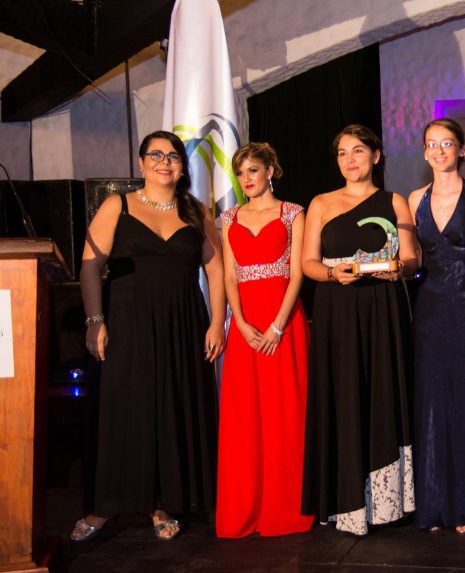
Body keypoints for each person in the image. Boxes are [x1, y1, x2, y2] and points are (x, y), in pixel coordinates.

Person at [71, 130, 225, 542]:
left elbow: (215, 269)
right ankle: (104, 507)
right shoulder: (117, 206)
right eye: (155, 155)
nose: (164, 162)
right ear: (141, 163)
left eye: (172, 156)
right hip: (127, 324)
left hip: (183, 324)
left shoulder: (195, 210)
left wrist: (217, 322)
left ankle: (163, 504)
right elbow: (89, 266)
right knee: (125, 409)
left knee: (173, 408)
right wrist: (94, 319)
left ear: (182, 166)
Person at [301, 124, 418, 536]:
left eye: (357, 151)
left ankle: (385, 504)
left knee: (381, 391)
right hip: (336, 309)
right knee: (343, 394)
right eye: (342, 153)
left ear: (376, 156)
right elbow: (308, 263)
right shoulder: (320, 203)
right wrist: (333, 273)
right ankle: (345, 502)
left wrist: (399, 269)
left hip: (382, 308)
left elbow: (412, 259)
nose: (349, 160)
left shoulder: (394, 201)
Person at [407, 118, 465, 534]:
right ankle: (435, 505)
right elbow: (413, 258)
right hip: (429, 311)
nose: (439, 151)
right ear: (425, 152)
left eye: (447, 143)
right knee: (432, 403)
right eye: (432, 144)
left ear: (462, 150)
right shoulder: (414, 199)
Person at [216, 143, 314, 538]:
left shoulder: (293, 213)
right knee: (245, 417)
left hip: (283, 321)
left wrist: (278, 325)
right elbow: (229, 275)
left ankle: (284, 508)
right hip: (246, 327)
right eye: (240, 174)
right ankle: (246, 508)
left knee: (284, 413)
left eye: (253, 171)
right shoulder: (229, 218)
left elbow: (298, 273)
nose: (246, 180)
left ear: (270, 171)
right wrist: (238, 322)